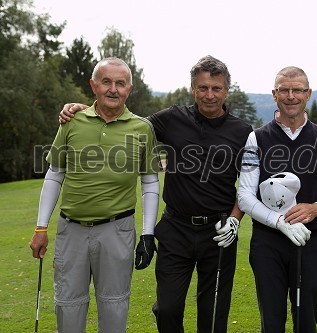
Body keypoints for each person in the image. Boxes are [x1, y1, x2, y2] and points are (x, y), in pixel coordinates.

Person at [59, 55, 253, 333]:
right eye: (202, 88)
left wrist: (235, 220)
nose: (209, 95)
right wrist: (87, 108)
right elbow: (126, 122)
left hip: (220, 231)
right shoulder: (173, 118)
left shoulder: (242, 131)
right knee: (168, 309)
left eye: (216, 88)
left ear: (226, 90)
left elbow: (248, 184)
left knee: (213, 316)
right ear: (192, 88)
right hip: (175, 230)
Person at [29, 57, 161, 333]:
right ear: (93, 86)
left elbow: (149, 183)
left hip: (117, 230)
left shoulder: (141, 128)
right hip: (71, 230)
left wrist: (148, 234)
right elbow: (55, 174)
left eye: (120, 83)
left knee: (114, 306)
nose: (113, 89)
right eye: (106, 82)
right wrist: (41, 227)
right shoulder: (72, 121)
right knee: (68, 306)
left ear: (129, 89)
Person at [238, 66, 317, 332]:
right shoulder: (257, 138)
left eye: (297, 90)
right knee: (272, 322)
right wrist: (279, 221)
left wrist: (315, 208)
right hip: (268, 244)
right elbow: (245, 196)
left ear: (308, 94)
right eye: (284, 90)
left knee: (306, 321)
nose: (291, 96)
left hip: (310, 241)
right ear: (274, 94)